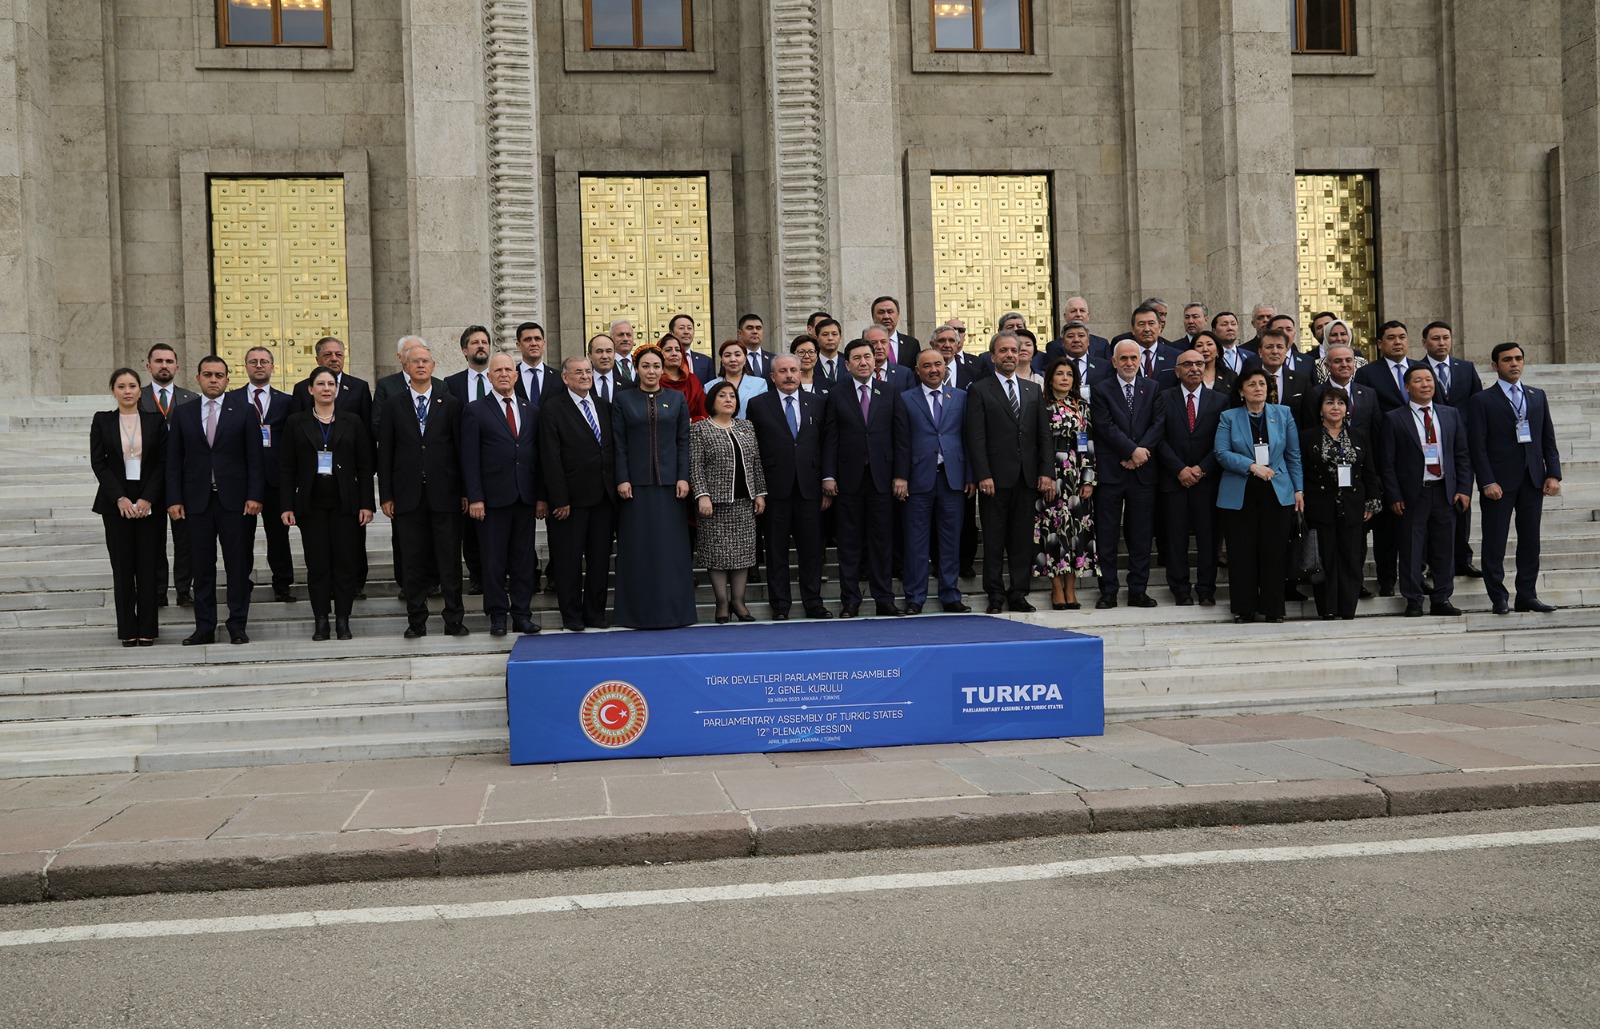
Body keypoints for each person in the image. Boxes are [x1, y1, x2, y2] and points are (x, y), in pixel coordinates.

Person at [166, 356, 265, 645]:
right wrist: (174, 498)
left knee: (237, 566)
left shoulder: (244, 411)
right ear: (197, 378)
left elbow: (255, 457)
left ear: (227, 380)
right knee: (202, 568)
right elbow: (173, 460)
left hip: (235, 502)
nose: (213, 380)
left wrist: (255, 495)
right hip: (196, 502)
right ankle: (204, 627)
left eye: (219, 375)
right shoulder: (183, 413)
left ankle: (237, 625)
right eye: (207, 374)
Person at [378, 340, 469, 639]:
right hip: (407, 496)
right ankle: (416, 620)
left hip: (445, 494)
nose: (420, 365)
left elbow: (460, 451)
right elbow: (385, 453)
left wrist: (465, 491)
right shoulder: (394, 405)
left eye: (425, 361)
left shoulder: (450, 403)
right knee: (413, 561)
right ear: (405, 366)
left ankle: (454, 619)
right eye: (415, 361)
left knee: (449, 561)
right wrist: (386, 495)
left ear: (433, 366)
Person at [279, 366, 374, 641]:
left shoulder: (352, 421)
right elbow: (286, 467)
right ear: (310, 389)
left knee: (345, 564)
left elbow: (365, 466)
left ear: (337, 389)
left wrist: (366, 504)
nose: (326, 389)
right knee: (318, 565)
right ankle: (321, 620)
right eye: (320, 384)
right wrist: (286, 505)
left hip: (345, 505)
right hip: (311, 505)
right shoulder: (295, 422)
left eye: (331, 384)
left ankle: (343, 619)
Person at [1467, 342, 1563, 615]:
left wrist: (1553, 473)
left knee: (1530, 541)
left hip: (1532, 479)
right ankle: (1498, 597)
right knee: (1495, 542)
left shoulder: (1536, 395)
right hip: (1498, 483)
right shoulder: (1482, 400)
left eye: (1518, 358)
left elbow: (1548, 438)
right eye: (1507, 359)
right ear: (1495, 365)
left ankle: (1527, 595)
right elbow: (1477, 446)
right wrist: (1487, 481)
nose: (1514, 363)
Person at [964, 331, 1054, 614]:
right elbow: (976, 437)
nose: (1010, 355)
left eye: (1014, 350)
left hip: (1027, 477)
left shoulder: (1032, 390)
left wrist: (1046, 471)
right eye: (1003, 351)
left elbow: (1043, 435)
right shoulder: (980, 390)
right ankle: (994, 594)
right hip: (995, 478)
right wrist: (983, 474)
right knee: (994, 539)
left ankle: (1018, 593)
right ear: (993, 356)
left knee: (1022, 539)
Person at [612, 347, 697, 629]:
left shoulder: (676, 398)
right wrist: (622, 478)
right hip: (635, 489)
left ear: (663, 369)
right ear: (636, 368)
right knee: (638, 550)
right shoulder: (623, 399)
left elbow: (683, 441)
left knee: (670, 552)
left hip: (671, 488)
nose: (651, 371)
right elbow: (619, 442)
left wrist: (683, 477)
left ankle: (675, 613)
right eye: (646, 366)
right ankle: (636, 614)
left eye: (656, 366)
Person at [1380, 365, 1473, 617]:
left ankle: (1442, 598)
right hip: (1413, 494)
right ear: (1407, 387)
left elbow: (1462, 455)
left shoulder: (1450, 414)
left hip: (1444, 492)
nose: (1425, 385)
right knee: (1411, 549)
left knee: (1444, 549)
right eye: (1418, 381)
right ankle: (1413, 600)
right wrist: (1394, 495)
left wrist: (1464, 489)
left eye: (1429, 380)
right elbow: (1387, 463)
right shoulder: (1394, 418)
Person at [823, 338, 906, 618]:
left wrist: (901, 475)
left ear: (875, 360)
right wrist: (828, 475)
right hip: (848, 480)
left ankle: (884, 599)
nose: (863, 362)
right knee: (849, 543)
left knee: (882, 542)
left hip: (882, 479)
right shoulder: (837, 394)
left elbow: (901, 437)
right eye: (856, 358)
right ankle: (850, 601)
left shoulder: (890, 392)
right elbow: (830, 438)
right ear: (847, 365)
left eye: (867, 357)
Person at [1214, 367, 1304, 624]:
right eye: (1252, 384)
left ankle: (1273, 609)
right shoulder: (1229, 417)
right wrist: (1252, 466)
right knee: (1241, 552)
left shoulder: (1283, 413)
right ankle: (1244, 608)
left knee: (1274, 551)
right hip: (1240, 491)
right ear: (1241, 391)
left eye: (1262, 384)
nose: (1258, 388)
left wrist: (1298, 489)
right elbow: (1221, 453)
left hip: (1277, 490)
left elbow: (1293, 455)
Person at [462, 352, 542, 637]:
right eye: (498, 371)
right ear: (490, 376)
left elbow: (537, 456)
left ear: (516, 375)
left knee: (523, 560)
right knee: (493, 561)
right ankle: (497, 615)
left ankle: (522, 614)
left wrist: (541, 496)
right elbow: (469, 458)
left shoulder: (531, 410)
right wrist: (475, 497)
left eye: (509, 370)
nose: (504, 374)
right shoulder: (475, 410)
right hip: (492, 500)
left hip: (524, 497)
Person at [747, 355, 832, 620]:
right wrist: (758, 490)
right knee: (776, 550)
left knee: (811, 550)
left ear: (801, 372)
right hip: (774, 489)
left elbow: (826, 444)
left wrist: (826, 481)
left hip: (809, 488)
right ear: (773, 377)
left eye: (793, 370)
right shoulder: (758, 404)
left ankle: (813, 603)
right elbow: (753, 450)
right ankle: (780, 605)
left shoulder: (817, 402)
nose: (789, 375)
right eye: (783, 371)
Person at [539, 355, 617, 632]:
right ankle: (571, 615)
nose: (585, 376)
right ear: (565, 378)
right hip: (570, 502)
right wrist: (559, 499)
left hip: (603, 498)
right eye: (579, 372)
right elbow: (550, 457)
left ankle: (595, 612)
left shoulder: (604, 406)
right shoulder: (552, 409)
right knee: (568, 560)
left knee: (599, 560)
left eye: (588, 371)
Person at [92, 368, 167, 646]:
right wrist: (120, 498)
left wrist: (147, 498)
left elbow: (162, 462)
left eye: (132, 386)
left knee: (148, 566)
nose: (127, 391)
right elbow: (99, 463)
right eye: (121, 386)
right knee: (122, 568)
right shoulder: (102, 420)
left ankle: (147, 628)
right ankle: (127, 629)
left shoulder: (155, 420)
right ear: (113, 390)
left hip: (150, 501)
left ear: (140, 390)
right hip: (116, 503)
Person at [895, 348, 972, 614]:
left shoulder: (960, 397)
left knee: (951, 540)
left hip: (952, 478)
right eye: (926, 366)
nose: (933, 370)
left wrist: (970, 476)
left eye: (937, 364)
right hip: (917, 479)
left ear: (945, 368)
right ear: (918, 371)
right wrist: (901, 476)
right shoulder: (905, 399)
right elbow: (900, 441)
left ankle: (950, 594)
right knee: (916, 541)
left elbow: (969, 438)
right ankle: (915, 597)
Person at [1090, 340, 1162, 609]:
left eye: (1134, 358)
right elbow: (1104, 426)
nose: (1129, 363)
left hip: (1143, 473)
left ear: (1140, 360)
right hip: (1111, 472)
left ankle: (1137, 591)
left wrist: (1140, 454)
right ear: (1114, 362)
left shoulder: (1152, 387)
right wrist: (1132, 450)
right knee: (1107, 535)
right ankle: (1108, 590)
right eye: (1124, 358)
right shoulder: (1101, 390)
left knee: (1141, 536)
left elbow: (1158, 424)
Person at [1300, 387, 1381, 620]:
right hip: (1320, 505)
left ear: (1347, 409)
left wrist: (1372, 501)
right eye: (1329, 403)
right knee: (1326, 558)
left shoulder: (1359, 435)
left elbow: (1369, 471)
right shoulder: (1307, 436)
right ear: (1320, 409)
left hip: (1353, 505)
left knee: (1351, 558)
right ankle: (1328, 608)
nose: (1335, 407)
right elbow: (1301, 470)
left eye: (1340, 403)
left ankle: (1347, 608)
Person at [690, 381, 768, 623]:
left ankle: (739, 602)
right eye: (722, 396)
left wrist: (760, 493)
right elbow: (695, 466)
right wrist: (702, 495)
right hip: (714, 503)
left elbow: (756, 463)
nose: (728, 400)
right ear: (712, 401)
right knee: (716, 555)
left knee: (743, 554)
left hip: (744, 501)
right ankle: (722, 602)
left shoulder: (746, 426)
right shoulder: (700, 429)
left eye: (732, 396)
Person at [1354, 320, 1420, 597]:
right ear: (1380, 344)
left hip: (1419, 460)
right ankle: (1386, 580)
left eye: (1402, 336)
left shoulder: (1420, 370)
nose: (1397, 342)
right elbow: (1364, 419)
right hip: (1384, 458)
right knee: (1386, 529)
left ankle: (1416, 576)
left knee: (1417, 526)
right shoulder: (1367, 373)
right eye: (1391, 338)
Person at [1156, 350, 1227, 606]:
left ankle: (1206, 589)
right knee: (1176, 539)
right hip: (1174, 480)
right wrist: (1179, 469)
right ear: (1177, 371)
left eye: (1199, 363)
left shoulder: (1220, 400)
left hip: (1206, 481)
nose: (1194, 368)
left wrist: (1201, 469)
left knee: (1208, 539)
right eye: (1188, 364)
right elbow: (1158, 437)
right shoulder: (1163, 398)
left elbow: (1223, 441)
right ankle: (1180, 590)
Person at [230, 347, 296, 603]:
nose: (259, 365)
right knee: (241, 537)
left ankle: (282, 585)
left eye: (264, 361)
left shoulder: (287, 401)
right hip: (242, 481)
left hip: (275, 479)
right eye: (253, 362)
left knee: (278, 536)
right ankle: (242, 584)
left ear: (272, 367)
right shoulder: (232, 399)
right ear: (245, 366)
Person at [1420, 320, 1485, 578]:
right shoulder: (1418, 369)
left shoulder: (1466, 368)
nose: (1441, 343)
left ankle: (1462, 558)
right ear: (1425, 343)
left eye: (1445, 337)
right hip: (1430, 447)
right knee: (1433, 509)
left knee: (1462, 501)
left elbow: (1478, 404)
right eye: (1435, 338)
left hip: (1462, 447)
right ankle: (1431, 562)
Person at [1033, 357, 1097, 610]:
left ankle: (1071, 588)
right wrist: (1045, 474)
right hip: (1051, 473)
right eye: (1060, 374)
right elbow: (1037, 443)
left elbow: (1087, 442)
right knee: (1052, 532)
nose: (1065, 378)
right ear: (1050, 379)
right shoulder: (1041, 405)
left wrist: (1088, 478)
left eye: (1069, 374)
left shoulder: (1081, 406)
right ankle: (1056, 588)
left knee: (1075, 533)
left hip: (1076, 474)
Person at [139, 343, 197, 607]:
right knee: (154, 539)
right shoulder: (138, 397)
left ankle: (184, 589)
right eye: (159, 361)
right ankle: (158, 590)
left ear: (177, 366)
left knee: (185, 539)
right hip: (149, 478)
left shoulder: (191, 398)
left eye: (169, 361)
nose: (164, 366)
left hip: (183, 479)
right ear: (148, 366)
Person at [445, 324, 495, 595]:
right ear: (465, 350)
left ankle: (499, 574)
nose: (481, 346)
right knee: (471, 528)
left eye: (484, 342)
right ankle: (477, 576)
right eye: (475, 343)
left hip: (498, 466)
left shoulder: (503, 377)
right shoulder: (451, 384)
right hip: (466, 465)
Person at [291, 336, 374, 424]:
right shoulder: (302, 388)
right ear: (317, 360)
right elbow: (295, 424)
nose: (334, 359)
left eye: (339, 354)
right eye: (328, 354)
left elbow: (366, 424)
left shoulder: (360, 387)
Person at [710, 337, 770, 417]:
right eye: (727, 355)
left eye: (737, 355)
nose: (733, 359)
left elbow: (763, 413)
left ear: (745, 359)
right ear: (722, 361)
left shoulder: (759, 384)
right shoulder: (710, 386)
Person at [657, 336, 708, 421]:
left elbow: (704, 412)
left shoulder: (692, 380)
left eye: (678, 350)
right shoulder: (655, 381)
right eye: (668, 350)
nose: (674, 353)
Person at [512, 321, 559, 407]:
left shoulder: (558, 377)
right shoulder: (510, 376)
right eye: (527, 339)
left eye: (537, 339)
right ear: (518, 345)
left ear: (543, 343)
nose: (533, 343)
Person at [871, 295, 920, 368]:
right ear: (873, 317)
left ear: (898, 315)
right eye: (881, 312)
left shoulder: (912, 344)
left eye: (890, 312)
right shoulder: (866, 344)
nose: (886, 317)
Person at [863, 325, 916, 392]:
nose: (879, 347)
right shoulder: (855, 374)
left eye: (883, 342)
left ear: (889, 344)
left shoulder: (905, 374)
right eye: (873, 343)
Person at [668, 313, 716, 383]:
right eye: (681, 328)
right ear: (671, 333)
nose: (686, 332)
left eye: (689, 328)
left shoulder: (706, 362)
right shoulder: (664, 359)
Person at [588, 332, 635, 403]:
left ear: (614, 354)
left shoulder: (628, 386)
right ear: (589, 356)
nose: (604, 356)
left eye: (609, 351)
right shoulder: (583, 384)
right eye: (599, 351)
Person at [733, 313, 778, 380]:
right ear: (740, 333)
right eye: (750, 328)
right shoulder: (733, 359)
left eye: (758, 328)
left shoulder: (774, 359)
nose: (755, 331)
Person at [813, 318, 845, 383]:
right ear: (817, 338)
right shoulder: (811, 363)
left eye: (834, 334)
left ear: (840, 338)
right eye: (825, 334)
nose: (830, 338)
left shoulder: (848, 362)